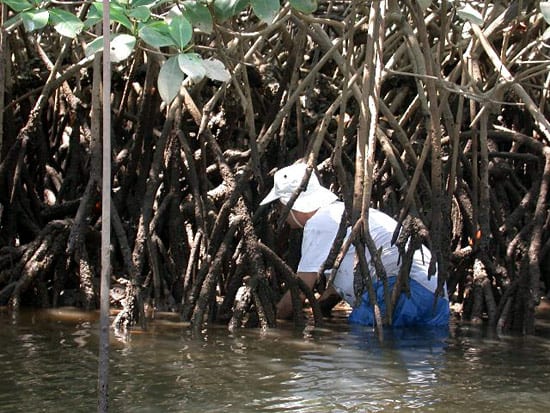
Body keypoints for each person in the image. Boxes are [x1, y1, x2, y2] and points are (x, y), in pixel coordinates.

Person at [260, 162, 450, 327]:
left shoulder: (318, 223)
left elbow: (300, 290)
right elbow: (336, 289)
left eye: (279, 205)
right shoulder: (343, 213)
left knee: (361, 354)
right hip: (436, 299)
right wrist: (316, 310)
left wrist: (271, 322)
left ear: (290, 203)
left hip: (400, 293)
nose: (279, 212)